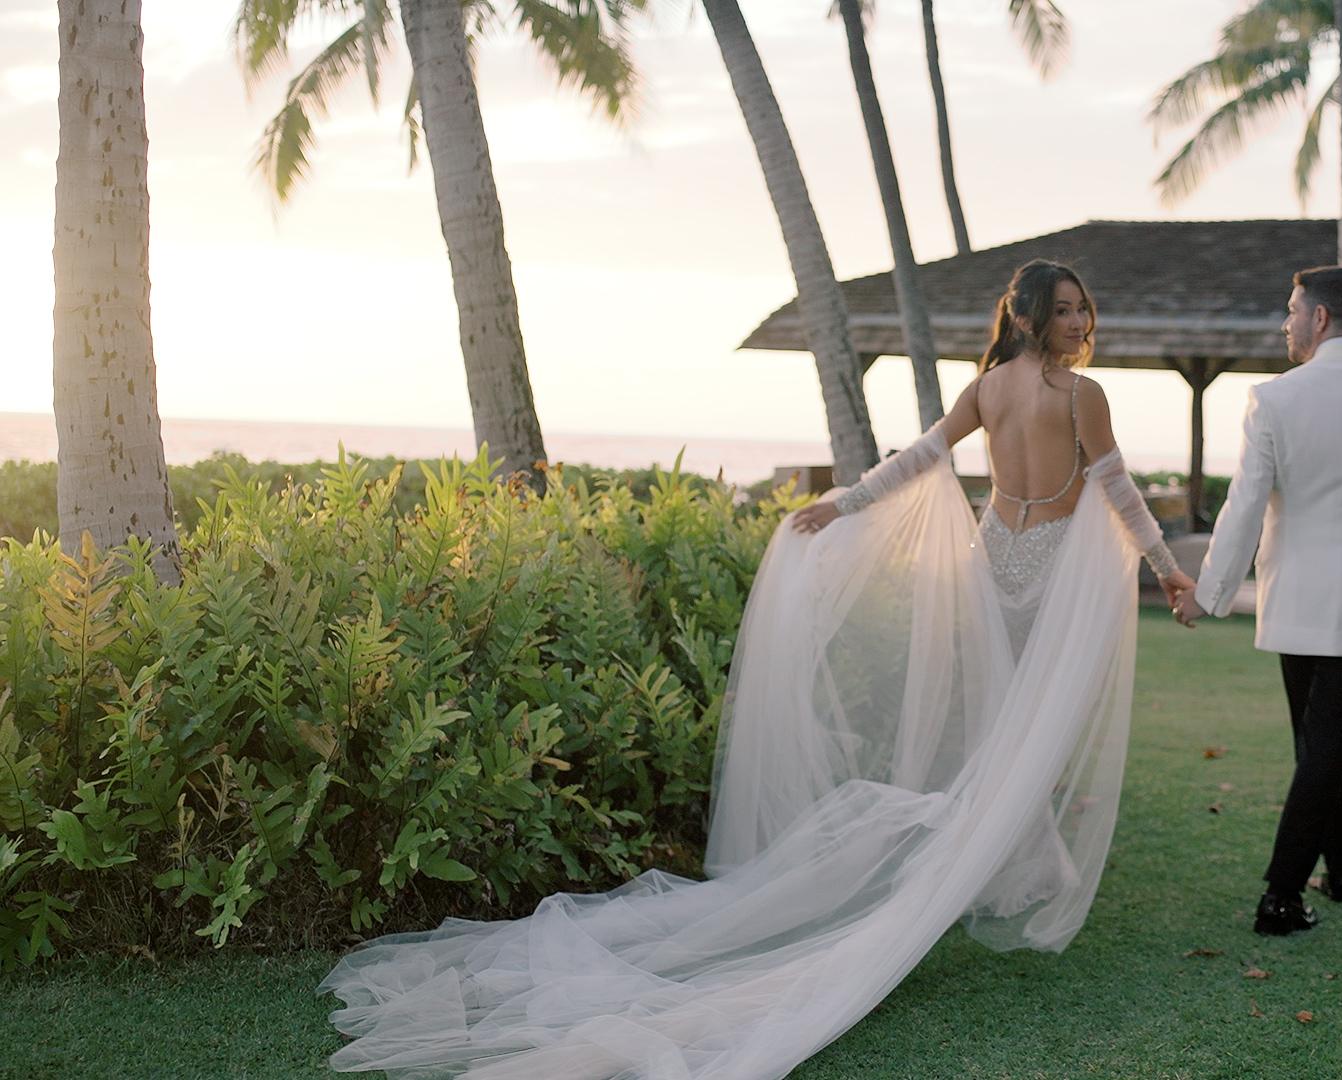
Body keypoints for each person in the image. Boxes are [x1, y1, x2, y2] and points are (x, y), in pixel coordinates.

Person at [320, 259, 1192, 1079]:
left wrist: (847, 501)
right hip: (1040, 569)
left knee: (1010, 724)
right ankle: (1010, 864)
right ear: (1035, 316)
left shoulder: (986, 387)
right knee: (1029, 725)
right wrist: (1165, 568)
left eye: (1084, 308)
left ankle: (1013, 859)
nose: (1082, 322)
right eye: (1069, 308)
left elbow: (923, 460)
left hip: (996, 554)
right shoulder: (1078, 393)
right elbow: (1110, 485)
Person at [1173, 266, 1342, 937]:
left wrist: (1208, 594)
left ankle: (1282, 895)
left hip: (1297, 601)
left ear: (1321, 318)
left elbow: (1242, 509)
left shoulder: (1274, 399)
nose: (1285, 322)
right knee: (1327, 745)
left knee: (1321, 745)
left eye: (1292, 310)